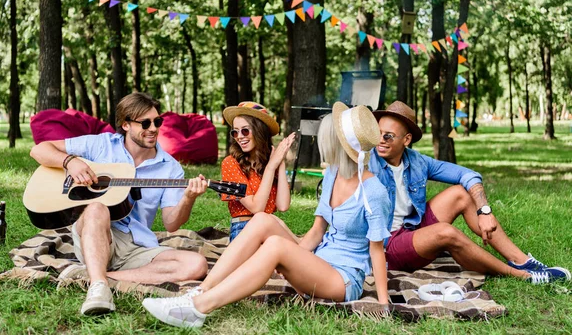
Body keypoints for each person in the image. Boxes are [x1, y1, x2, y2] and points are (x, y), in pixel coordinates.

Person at [142, 102, 392, 328]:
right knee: (262, 220)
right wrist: (297, 262)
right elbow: (317, 231)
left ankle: (199, 308)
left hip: (343, 279)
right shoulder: (332, 175)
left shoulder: (374, 192)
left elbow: (376, 250)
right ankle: (199, 292)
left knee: (275, 246)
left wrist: (383, 304)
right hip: (319, 261)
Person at [29, 92, 209, 316]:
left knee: (197, 265)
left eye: (157, 121)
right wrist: (70, 162)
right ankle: (98, 291)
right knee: (97, 207)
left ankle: (94, 277)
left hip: (138, 246)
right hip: (96, 232)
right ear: (125, 125)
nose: (153, 128)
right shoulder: (101, 145)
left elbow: (171, 224)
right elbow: (39, 149)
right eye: (145, 123)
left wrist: (188, 197)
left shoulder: (170, 168)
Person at [369, 100, 570, 284]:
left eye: (388, 136)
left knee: (461, 194)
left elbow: (468, 175)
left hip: (411, 228)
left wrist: (484, 211)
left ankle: (521, 261)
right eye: (377, 133)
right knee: (446, 233)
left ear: (406, 140)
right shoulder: (367, 162)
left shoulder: (417, 161)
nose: (381, 140)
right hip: (386, 245)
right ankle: (523, 276)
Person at [220, 101, 295, 241]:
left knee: (275, 227)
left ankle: (303, 247)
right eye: (235, 132)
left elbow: (283, 205)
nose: (239, 136)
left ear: (259, 131)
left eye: (245, 130)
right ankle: (303, 246)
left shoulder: (269, 161)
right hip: (244, 230)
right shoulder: (230, 163)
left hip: (271, 230)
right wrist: (271, 167)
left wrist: (281, 162)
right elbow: (256, 207)